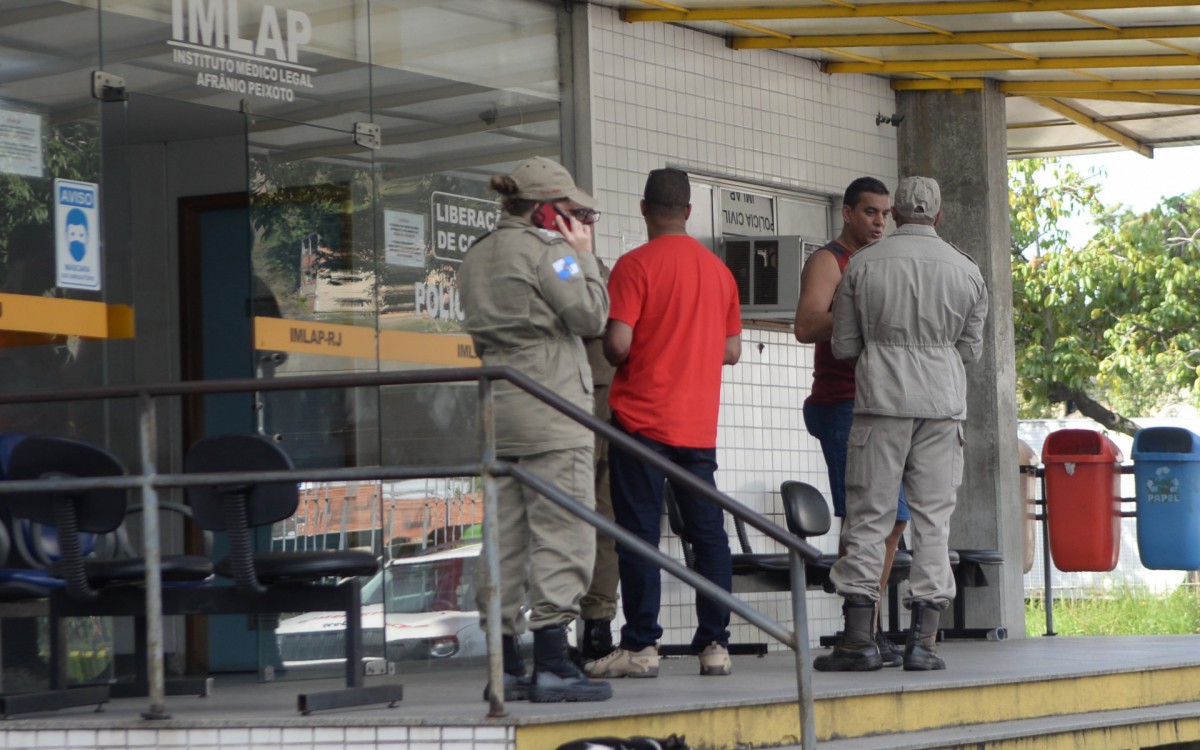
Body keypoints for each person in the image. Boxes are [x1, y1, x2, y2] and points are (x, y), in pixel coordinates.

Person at [815, 176, 988, 672]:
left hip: (879, 405)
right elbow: (970, 350)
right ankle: (924, 644)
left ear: (893, 216)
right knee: (934, 521)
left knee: (869, 518)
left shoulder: (862, 265)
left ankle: (857, 641)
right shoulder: (967, 271)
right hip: (942, 408)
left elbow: (844, 346)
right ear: (936, 216)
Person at [458, 156, 612, 703]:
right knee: (563, 534)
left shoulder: (476, 255)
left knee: (503, 539)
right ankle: (552, 661)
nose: (577, 221)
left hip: (497, 411)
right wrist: (584, 257)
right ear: (545, 209)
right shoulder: (555, 256)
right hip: (552, 410)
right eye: (571, 211)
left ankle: (504, 662)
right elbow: (591, 318)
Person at [584, 167, 742, 679]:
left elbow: (619, 345)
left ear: (644, 208)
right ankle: (715, 644)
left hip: (641, 422)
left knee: (638, 535)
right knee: (708, 536)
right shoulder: (719, 273)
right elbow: (732, 350)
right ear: (690, 212)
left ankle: (642, 647)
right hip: (697, 425)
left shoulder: (633, 266)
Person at [793, 176, 910, 667]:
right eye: (870, 212)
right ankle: (856, 627)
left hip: (881, 403)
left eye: (885, 213)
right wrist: (859, 310)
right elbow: (806, 325)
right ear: (846, 213)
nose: (879, 221)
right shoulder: (829, 260)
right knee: (867, 516)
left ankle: (867, 620)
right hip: (842, 402)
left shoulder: (882, 261)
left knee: (895, 516)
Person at [577, 256, 620, 663]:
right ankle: (597, 627)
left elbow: (590, 315)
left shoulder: (564, 262)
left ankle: (583, 627)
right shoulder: (595, 265)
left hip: (578, 395)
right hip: (609, 392)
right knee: (603, 519)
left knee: (571, 514)